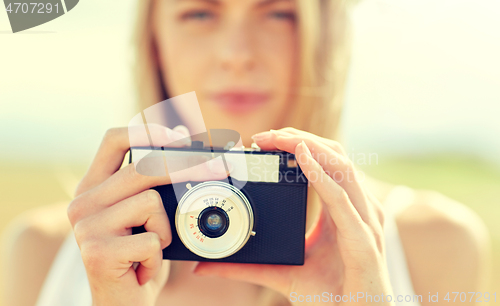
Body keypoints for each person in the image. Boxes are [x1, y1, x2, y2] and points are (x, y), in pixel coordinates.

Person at [2, 0, 491, 305]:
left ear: (324, 37)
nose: (237, 52)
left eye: (277, 11)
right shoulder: (47, 253)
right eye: (200, 11)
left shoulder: (433, 245)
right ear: (155, 40)